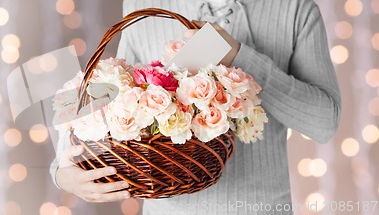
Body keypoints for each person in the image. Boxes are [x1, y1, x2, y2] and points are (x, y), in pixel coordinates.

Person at [51, 0, 341, 214]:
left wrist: (240, 56)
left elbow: (324, 123)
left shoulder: (295, 8)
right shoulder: (144, 6)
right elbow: (109, 98)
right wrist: (61, 173)